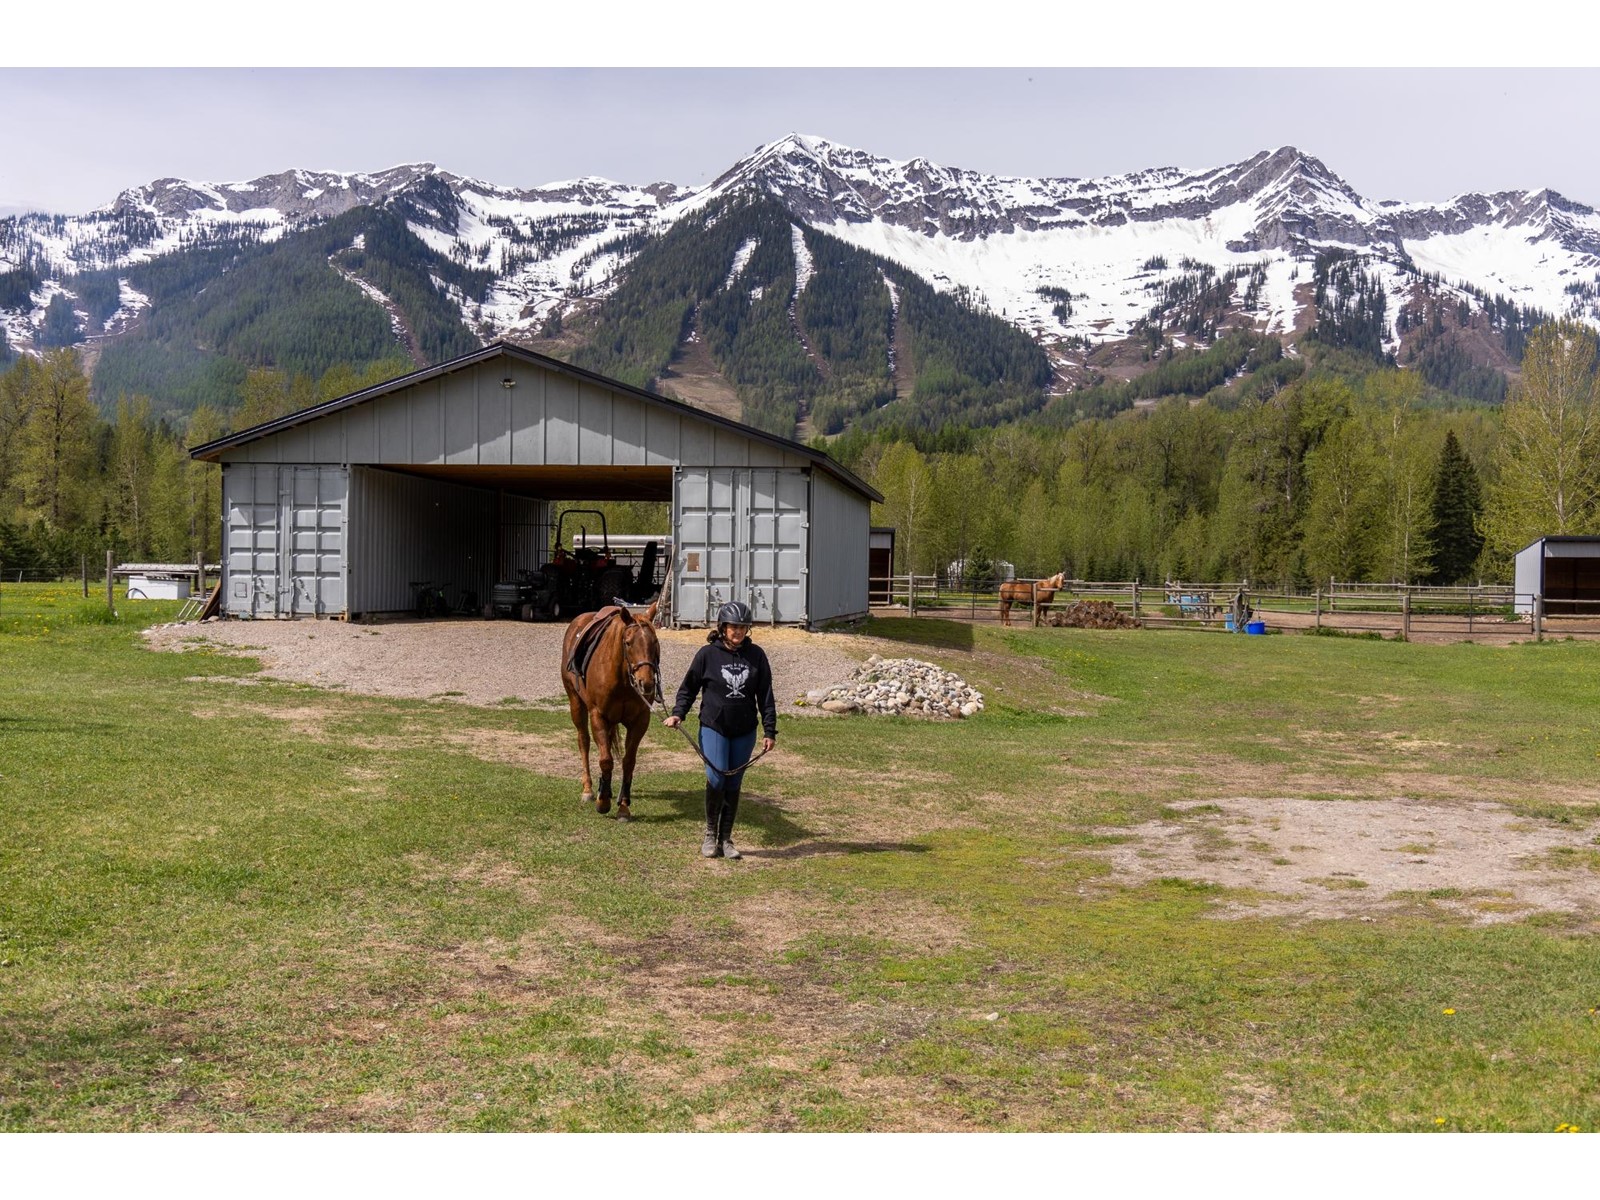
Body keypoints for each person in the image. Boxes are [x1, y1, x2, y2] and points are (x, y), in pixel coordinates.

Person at [664, 601, 777, 860]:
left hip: (744, 729)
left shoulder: (757, 655)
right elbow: (689, 687)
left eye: (742, 627)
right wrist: (678, 713)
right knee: (716, 778)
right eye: (733, 626)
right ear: (723, 627)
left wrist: (769, 730)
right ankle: (709, 835)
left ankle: (726, 839)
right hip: (714, 726)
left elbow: (766, 695)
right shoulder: (706, 655)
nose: (738, 631)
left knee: (734, 781)